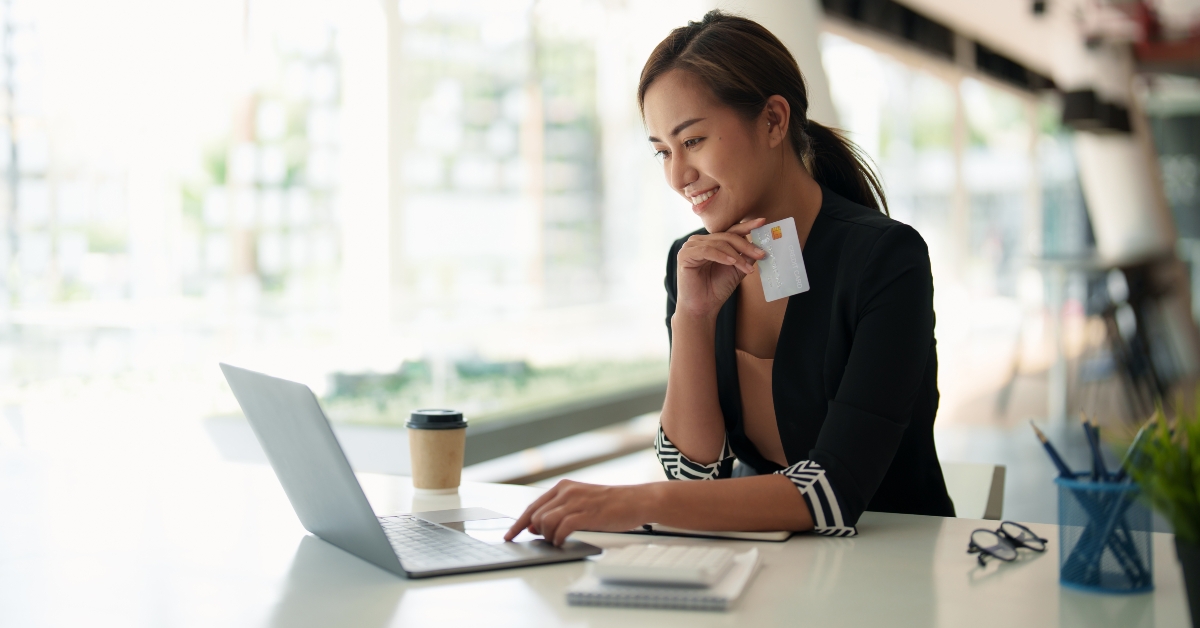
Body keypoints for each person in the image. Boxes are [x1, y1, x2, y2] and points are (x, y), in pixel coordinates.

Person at [506, 10, 954, 546]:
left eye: (692, 141)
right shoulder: (694, 262)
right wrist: (693, 316)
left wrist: (631, 501)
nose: (677, 176)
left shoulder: (885, 258)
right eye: (662, 152)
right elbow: (693, 474)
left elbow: (834, 491)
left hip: (893, 568)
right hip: (765, 564)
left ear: (772, 121)